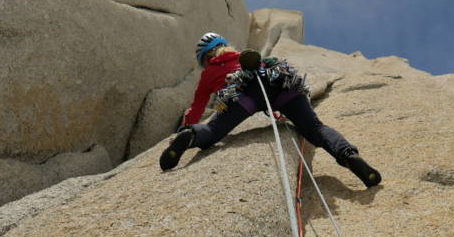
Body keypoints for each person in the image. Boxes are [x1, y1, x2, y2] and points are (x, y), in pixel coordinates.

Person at [159, 32, 382, 188]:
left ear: (207, 57)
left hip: (244, 94)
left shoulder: (208, 73)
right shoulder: (238, 56)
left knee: (213, 131)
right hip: (281, 84)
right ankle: (348, 155)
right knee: (316, 129)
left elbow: (197, 107)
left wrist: (183, 126)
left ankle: (190, 136)